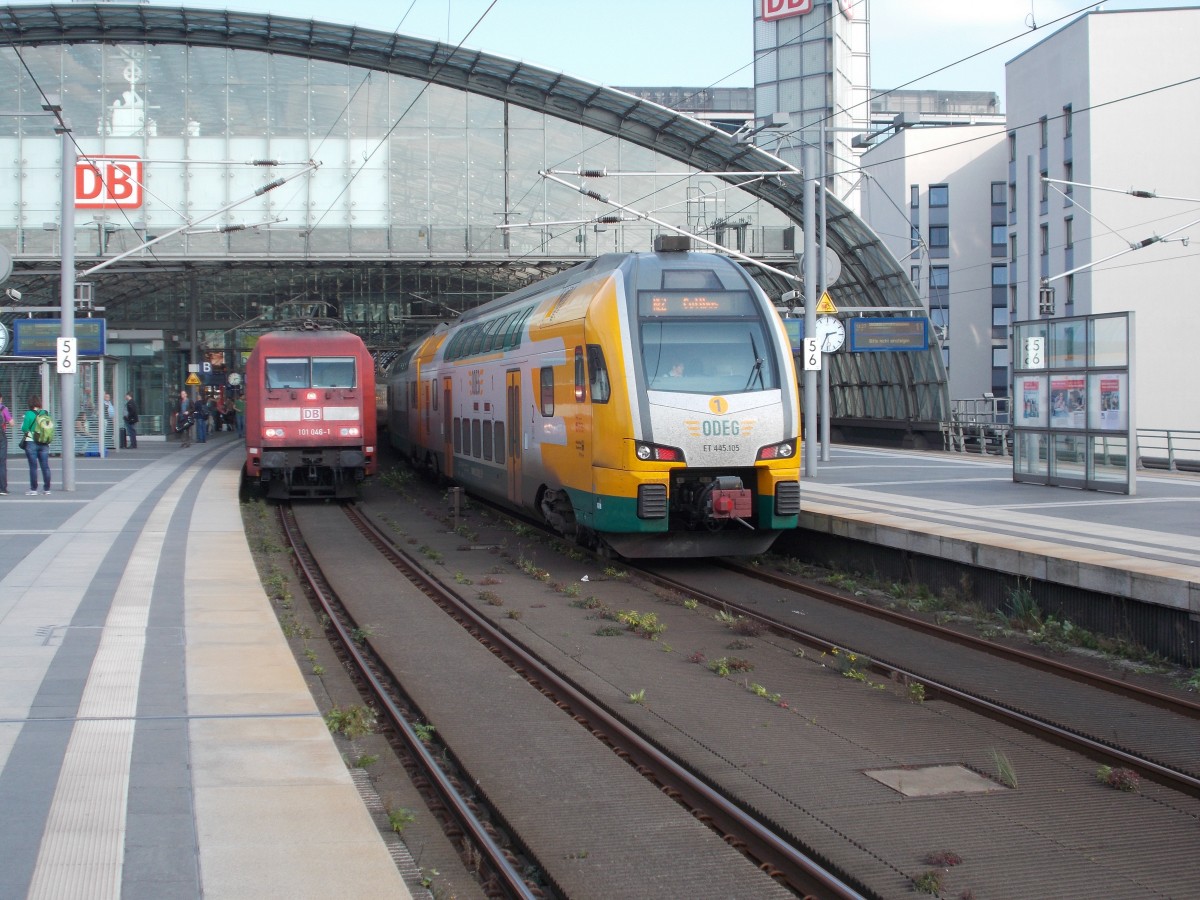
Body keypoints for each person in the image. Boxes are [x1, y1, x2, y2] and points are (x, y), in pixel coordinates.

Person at [21, 395, 52, 496]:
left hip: (31, 442)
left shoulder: (28, 414)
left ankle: (34, 489)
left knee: (33, 467)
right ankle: (47, 489)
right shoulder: (45, 413)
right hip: (44, 442)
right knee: (45, 466)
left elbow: (25, 428)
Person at [0, 391, 11, 495]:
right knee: (2, 463)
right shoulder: (4, 409)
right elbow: (12, 423)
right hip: (1, 438)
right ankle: (3, 489)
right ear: (1, 398)